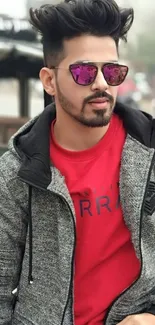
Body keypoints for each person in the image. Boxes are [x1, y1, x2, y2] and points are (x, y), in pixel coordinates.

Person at [0, 0, 155, 324]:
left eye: (112, 71)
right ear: (49, 80)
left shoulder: (150, 153)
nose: (101, 83)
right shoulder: (15, 175)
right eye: (83, 71)